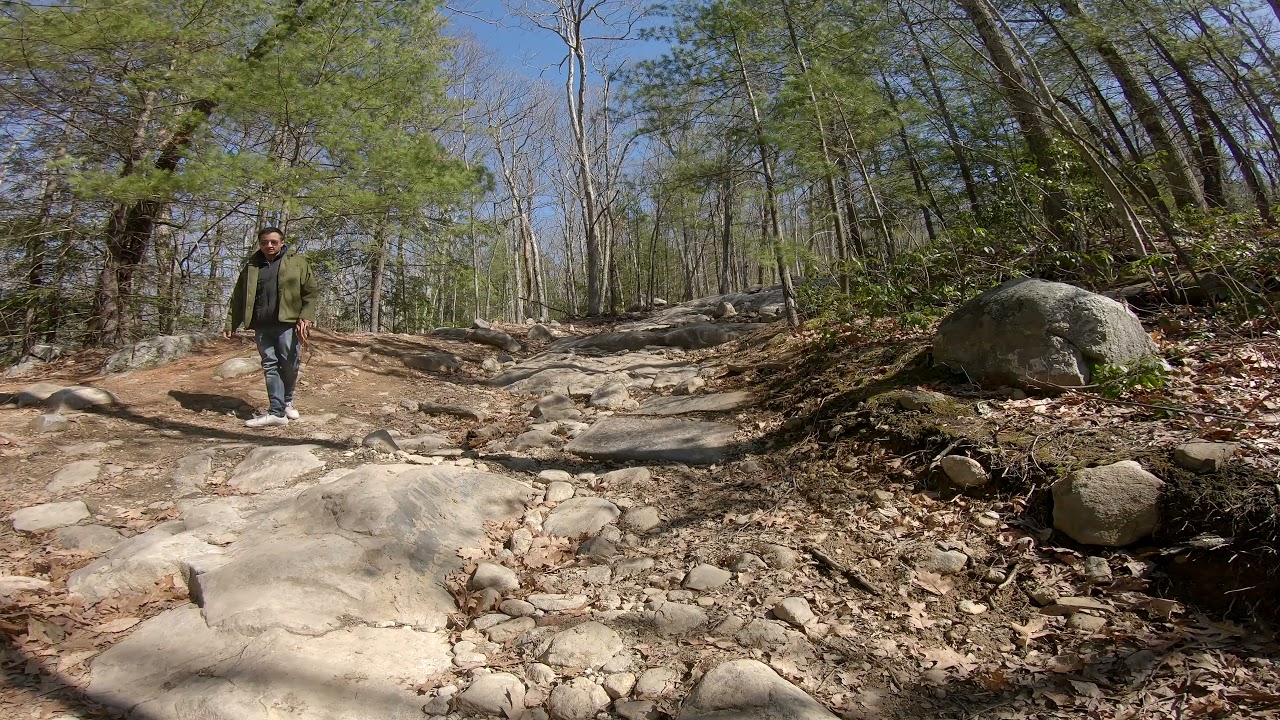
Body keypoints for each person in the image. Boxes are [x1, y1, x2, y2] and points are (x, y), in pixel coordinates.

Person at [223, 226, 316, 427]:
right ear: (260, 243)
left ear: (282, 242)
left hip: (288, 324)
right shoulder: (252, 265)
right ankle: (276, 411)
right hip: (262, 324)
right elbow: (239, 297)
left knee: (290, 365)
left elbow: (310, 293)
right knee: (270, 365)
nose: (269, 245)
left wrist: (306, 316)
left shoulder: (297, 262)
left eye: (274, 242)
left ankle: (286, 401)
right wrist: (231, 321)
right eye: (265, 242)